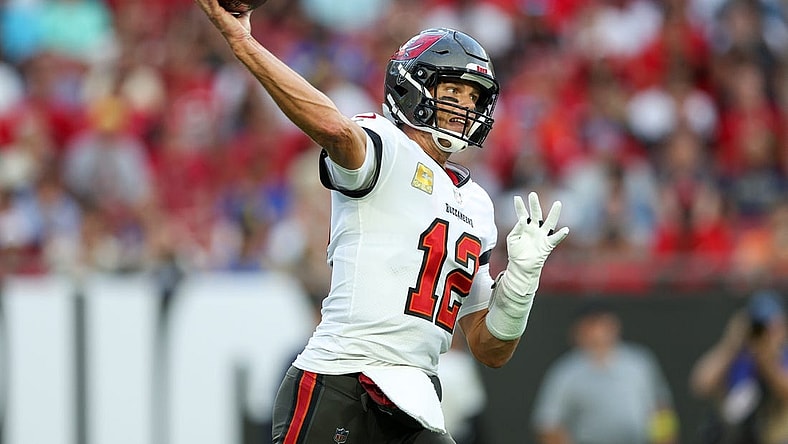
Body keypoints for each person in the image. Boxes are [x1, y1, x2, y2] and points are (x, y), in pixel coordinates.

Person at [194, 2, 570, 443]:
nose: (466, 105)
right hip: (343, 379)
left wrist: (520, 287)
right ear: (414, 87)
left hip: (414, 398)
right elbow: (335, 130)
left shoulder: (478, 204)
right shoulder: (385, 145)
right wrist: (244, 43)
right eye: (454, 91)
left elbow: (489, 349)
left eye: (474, 96)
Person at [531, 301, 678, 444]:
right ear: (578, 331)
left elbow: (661, 409)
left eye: (605, 323)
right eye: (592, 324)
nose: (599, 331)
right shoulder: (565, 372)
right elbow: (548, 424)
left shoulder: (640, 363)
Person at [690, 290, 788, 444]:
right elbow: (701, 383)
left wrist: (766, 360)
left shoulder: (784, 356)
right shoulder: (737, 357)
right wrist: (732, 342)